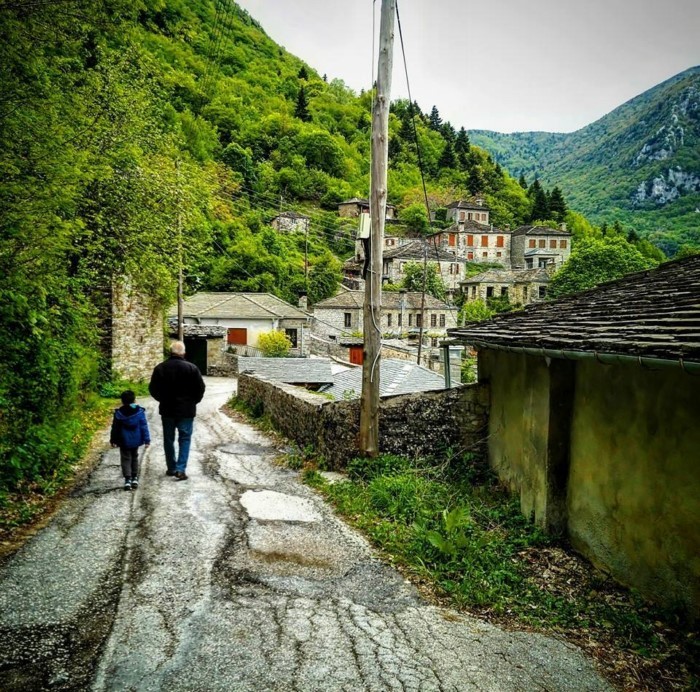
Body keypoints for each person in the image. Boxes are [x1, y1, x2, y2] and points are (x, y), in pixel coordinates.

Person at [148, 340, 206, 481]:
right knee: (184, 439)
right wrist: (193, 402)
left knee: (168, 439)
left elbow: (153, 389)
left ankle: (171, 467)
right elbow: (200, 388)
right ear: (184, 353)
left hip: (167, 410)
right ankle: (181, 469)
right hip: (186, 411)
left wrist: (162, 399)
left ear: (170, 352)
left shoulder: (160, 368)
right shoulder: (192, 369)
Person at [110, 390, 150, 491]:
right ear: (134, 400)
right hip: (136, 439)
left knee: (125, 458)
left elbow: (115, 428)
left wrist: (113, 439)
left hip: (124, 440)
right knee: (134, 457)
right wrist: (147, 439)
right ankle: (135, 478)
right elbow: (143, 426)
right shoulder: (139, 412)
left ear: (122, 401)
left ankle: (127, 480)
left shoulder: (119, 413)